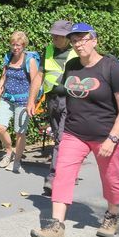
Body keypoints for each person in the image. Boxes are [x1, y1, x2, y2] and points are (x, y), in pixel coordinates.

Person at [30, 23, 119, 237]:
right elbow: (70, 92)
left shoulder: (111, 67)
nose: (79, 44)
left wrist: (112, 138)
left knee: (111, 178)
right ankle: (56, 226)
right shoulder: (73, 65)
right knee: (62, 174)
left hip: (108, 136)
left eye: (83, 39)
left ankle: (112, 215)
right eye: (74, 40)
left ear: (95, 40)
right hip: (74, 132)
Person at [27, 20, 78, 195]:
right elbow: (38, 77)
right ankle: (69, 170)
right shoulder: (48, 51)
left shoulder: (76, 53)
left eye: (58, 35)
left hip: (71, 102)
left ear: (68, 37)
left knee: (62, 140)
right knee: (59, 138)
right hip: (52, 100)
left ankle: (53, 178)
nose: (54, 37)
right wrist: (31, 101)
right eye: (53, 34)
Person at [0, 31, 37, 174]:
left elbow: (36, 82)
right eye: (13, 45)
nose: (15, 47)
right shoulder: (8, 57)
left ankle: (17, 161)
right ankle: (9, 151)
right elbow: (3, 79)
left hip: (23, 101)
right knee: (0, 127)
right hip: (7, 98)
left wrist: (32, 102)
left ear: (23, 45)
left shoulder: (29, 61)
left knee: (20, 132)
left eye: (18, 45)